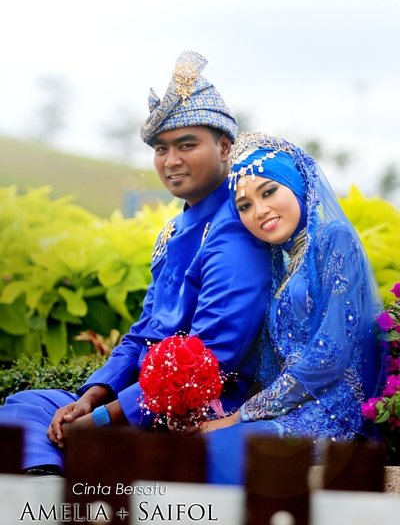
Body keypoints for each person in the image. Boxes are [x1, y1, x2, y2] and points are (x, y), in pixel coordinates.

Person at [0, 53, 271, 474]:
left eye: (186, 145)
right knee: (25, 407)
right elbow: (145, 332)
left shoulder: (235, 234)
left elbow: (211, 359)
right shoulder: (178, 229)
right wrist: (92, 396)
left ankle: (51, 492)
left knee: (32, 433)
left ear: (224, 147)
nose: (171, 160)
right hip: (137, 398)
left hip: (192, 412)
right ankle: (50, 485)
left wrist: (105, 418)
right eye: (161, 149)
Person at [199, 131, 384, 487]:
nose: (259, 211)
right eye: (245, 206)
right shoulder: (281, 264)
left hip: (330, 411)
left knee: (218, 449)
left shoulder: (333, 238)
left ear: (298, 185)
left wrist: (240, 416)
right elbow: (270, 361)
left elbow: (330, 355)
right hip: (288, 406)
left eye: (268, 191)